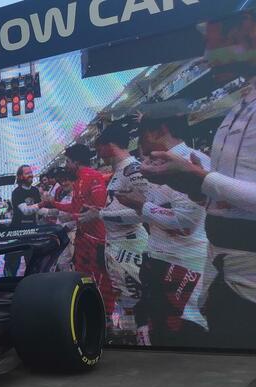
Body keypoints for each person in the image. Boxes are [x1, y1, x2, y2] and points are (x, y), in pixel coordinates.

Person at [142, 11, 256, 348]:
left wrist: (202, 179)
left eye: (215, 43)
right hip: (230, 285)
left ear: (248, 28)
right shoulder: (240, 106)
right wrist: (192, 185)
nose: (206, 57)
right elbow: (224, 203)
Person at [118, 107, 211, 346]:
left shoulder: (189, 161)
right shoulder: (154, 164)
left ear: (160, 130)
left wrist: (141, 206)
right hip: (159, 260)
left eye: (142, 134)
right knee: (162, 334)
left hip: (185, 266)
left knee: (184, 337)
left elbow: (185, 221)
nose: (139, 143)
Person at [40, 144, 116, 315]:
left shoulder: (93, 177)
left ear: (76, 161)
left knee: (102, 278)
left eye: (68, 161)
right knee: (84, 276)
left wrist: (68, 215)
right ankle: (90, 310)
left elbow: (97, 210)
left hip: (96, 239)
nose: (66, 165)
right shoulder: (78, 180)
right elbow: (75, 208)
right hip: (83, 238)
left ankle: (107, 315)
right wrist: (52, 204)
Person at [94, 123, 150, 330]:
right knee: (125, 300)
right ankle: (132, 336)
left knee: (136, 301)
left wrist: (100, 214)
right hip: (116, 246)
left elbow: (144, 211)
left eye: (99, 147)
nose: (98, 153)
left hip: (131, 247)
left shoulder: (132, 170)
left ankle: (142, 341)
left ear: (109, 145)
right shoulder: (119, 171)